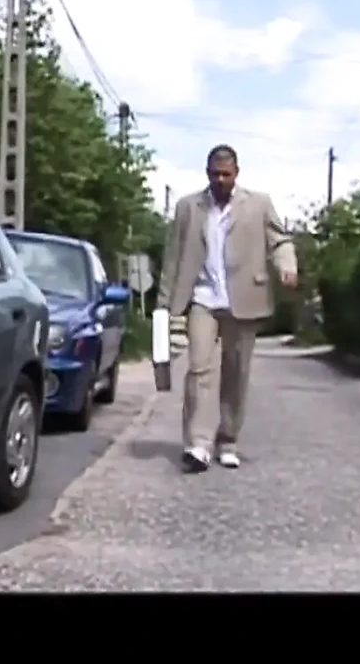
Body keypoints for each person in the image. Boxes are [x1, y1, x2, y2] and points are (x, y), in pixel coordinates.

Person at [156, 144, 297, 473]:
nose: (220, 180)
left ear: (236, 173)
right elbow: (174, 256)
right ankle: (198, 443)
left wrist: (286, 266)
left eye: (226, 174)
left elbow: (280, 240)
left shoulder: (258, 204)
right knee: (199, 369)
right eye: (215, 174)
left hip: (244, 298)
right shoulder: (188, 206)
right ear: (207, 173)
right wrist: (165, 303)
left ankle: (228, 440)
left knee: (236, 373)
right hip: (202, 298)